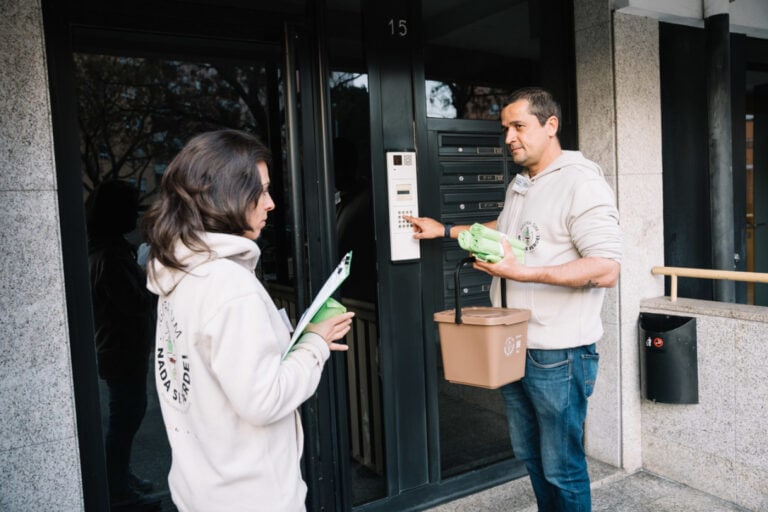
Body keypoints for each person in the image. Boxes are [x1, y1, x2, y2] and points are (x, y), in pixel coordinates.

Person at [405, 87, 622, 512]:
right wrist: (445, 230)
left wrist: (522, 273)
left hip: (559, 353)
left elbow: (606, 268)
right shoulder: (524, 185)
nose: (509, 138)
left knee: (563, 466)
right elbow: (504, 231)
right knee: (531, 457)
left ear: (551, 126)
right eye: (506, 128)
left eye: (518, 126)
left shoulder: (581, 183)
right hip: (518, 345)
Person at [141, 129, 353, 511]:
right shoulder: (228, 284)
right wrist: (315, 344)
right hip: (253, 496)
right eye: (263, 190)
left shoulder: (180, 272)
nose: (270, 204)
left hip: (202, 489)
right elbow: (264, 400)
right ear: (225, 195)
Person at [86, 180, 157, 507]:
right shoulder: (111, 256)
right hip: (121, 349)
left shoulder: (107, 250)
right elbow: (135, 303)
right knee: (125, 418)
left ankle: (120, 475)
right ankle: (116, 485)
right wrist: (150, 275)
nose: (135, 215)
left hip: (122, 349)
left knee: (127, 415)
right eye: (131, 208)